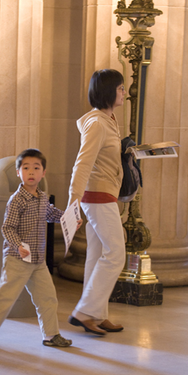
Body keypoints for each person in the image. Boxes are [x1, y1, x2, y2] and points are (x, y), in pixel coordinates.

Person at [0, 148, 82, 349]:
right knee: (6, 295)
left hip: (37, 260)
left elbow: (49, 213)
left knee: (47, 297)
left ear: (43, 173)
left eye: (36, 168)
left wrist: (68, 218)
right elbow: (7, 228)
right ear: (18, 173)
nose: (31, 172)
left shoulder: (41, 196)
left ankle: (51, 335)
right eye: (26, 168)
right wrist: (19, 245)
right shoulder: (17, 200)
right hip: (18, 258)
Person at [67, 69, 126, 336]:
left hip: (104, 194)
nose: (124, 92)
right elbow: (83, 162)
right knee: (116, 254)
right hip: (98, 196)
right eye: (121, 88)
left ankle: (97, 314)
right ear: (109, 91)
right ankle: (84, 312)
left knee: (97, 254)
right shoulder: (97, 123)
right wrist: (73, 199)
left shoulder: (109, 119)